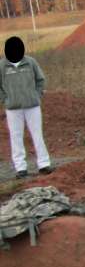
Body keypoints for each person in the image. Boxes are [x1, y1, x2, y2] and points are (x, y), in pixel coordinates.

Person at [0, 36, 52, 178]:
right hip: (13, 108)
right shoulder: (2, 66)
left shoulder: (30, 62)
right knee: (16, 136)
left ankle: (44, 164)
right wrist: (6, 100)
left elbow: (40, 80)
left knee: (37, 134)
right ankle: (20, 168)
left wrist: (37, 95)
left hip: (32, 106)